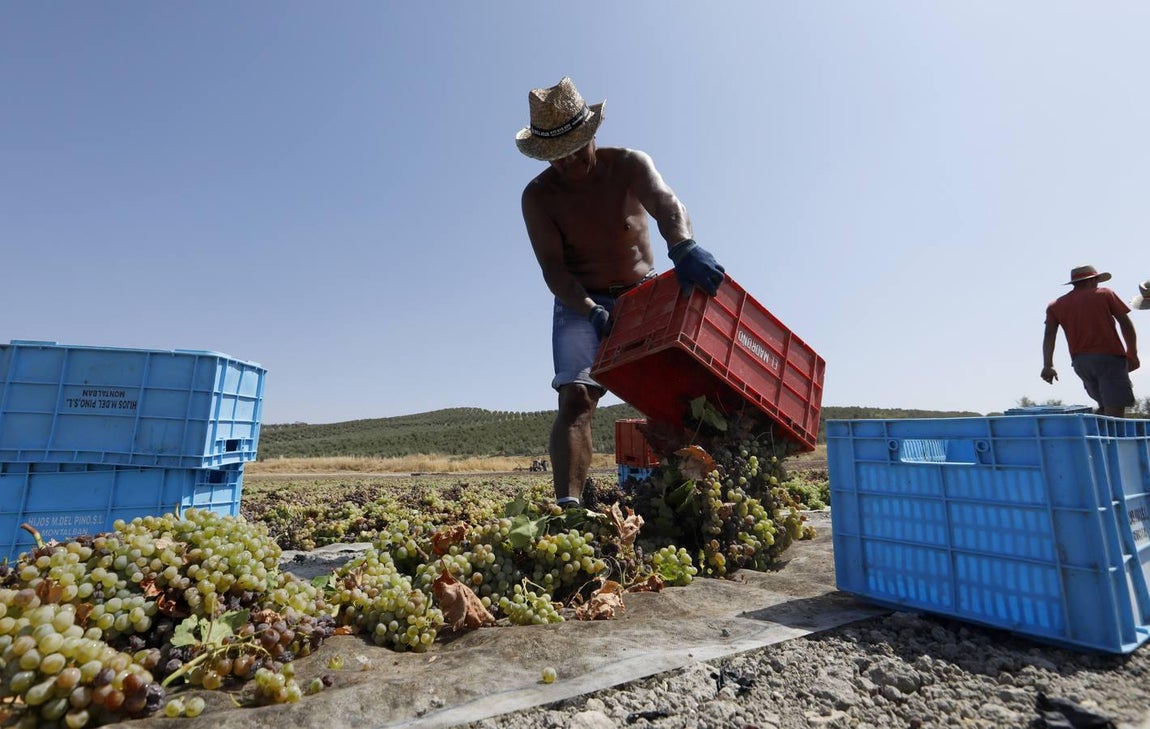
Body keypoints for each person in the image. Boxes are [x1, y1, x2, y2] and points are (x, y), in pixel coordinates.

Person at [516, 77, 725, 508]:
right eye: (557, 155)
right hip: (580, 303)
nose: (568, 161)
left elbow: (669, 205)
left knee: (678, 398)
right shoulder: (538, 197)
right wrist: (590, 309)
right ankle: (569, 507)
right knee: (576, 398)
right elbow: (553, 270)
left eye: (575, 148)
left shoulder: (628, 165)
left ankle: (690, 496)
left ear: (592, 134)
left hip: (643, 296)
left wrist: (682, 244)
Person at [1041, 264, 1140, 416]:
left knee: (1103, 404)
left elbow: (1049, 336)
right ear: (1091, 280)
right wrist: (1132, 353)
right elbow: (1125, 324)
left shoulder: (1056, 305)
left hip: (1081, 363)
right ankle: (1114, 439)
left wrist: (1048, 365)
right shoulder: (1105, 294)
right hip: (1109, 357)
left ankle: (1100, 435)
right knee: (1115, 409)